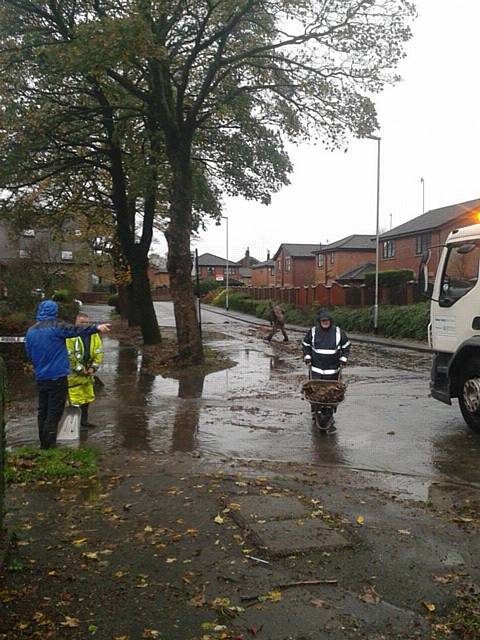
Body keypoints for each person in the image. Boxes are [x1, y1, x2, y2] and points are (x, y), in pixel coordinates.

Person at [25, 300, 110, 449]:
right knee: (54, 411)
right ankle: (49, 445)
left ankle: (43, 442)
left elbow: (29, 353)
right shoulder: (57, 327)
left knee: (42, 410)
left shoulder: (31, 331)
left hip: (40, 377)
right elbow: (77, 330)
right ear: (54, 312)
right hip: (57, 377)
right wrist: (97, 328)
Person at [302, 308, 350, 433]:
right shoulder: (313, 332)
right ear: (320, 321)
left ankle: (330, 412)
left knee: (331, 393)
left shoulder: (338, 332)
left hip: (332, 370)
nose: (325, 322)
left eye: (327, 320)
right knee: (315, 392)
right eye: (323, 321)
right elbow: (305, 344)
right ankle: (315, 410)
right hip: (316, 369)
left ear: (330, 321)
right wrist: (307, 356)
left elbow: (346, 346)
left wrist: (343, 359)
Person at [66, 312, 104, 428]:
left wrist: (93, 367)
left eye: (87, 323)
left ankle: (84, 422)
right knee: (75, 399)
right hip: (74, 374)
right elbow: (69, 355)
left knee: (87, 398)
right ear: (76, 323)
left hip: (88, 373)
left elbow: (99, 352)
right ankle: (72, 425)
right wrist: (80, 369)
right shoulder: (70, 336)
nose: (85, 325)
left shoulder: (94, 335)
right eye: (82, 322)